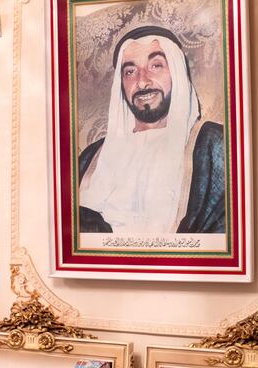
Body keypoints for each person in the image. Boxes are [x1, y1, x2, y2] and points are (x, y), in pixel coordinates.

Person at [78, 25, 225, 234]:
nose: (142, 81)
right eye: (130, 71)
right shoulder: (90, 158)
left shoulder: (214, 145)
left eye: (156, 65)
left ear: (176, 73)